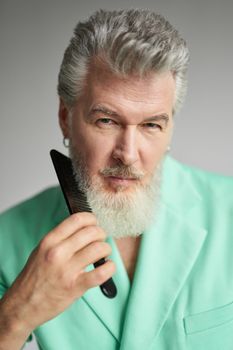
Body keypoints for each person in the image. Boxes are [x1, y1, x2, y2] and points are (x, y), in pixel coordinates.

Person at [0, 8, 233, 350]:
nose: (128, 153)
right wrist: (13, 317)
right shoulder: (5, 241)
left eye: (151, 125)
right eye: (107, 121)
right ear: (66, 118)